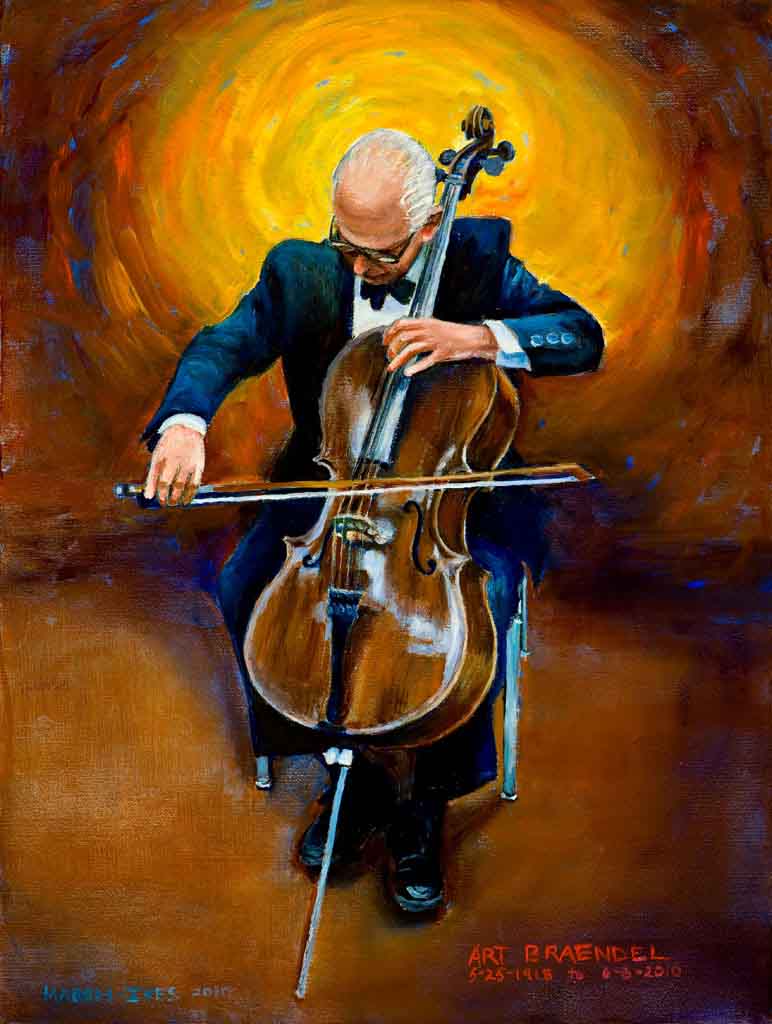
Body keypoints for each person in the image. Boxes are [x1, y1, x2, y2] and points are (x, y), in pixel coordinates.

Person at [141, 129, 604, 915]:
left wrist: (480, 337)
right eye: (344, 245)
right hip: (331, 491)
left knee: (479, 607)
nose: (356, 269)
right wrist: (185, 422)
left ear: (429, 228)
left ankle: (426, 803)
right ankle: (344, 770)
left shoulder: (480, 260)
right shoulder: (298, 271)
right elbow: (224, 345)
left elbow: (582, 335)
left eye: (380, 256)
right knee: (245, 582)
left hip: (448, 503)